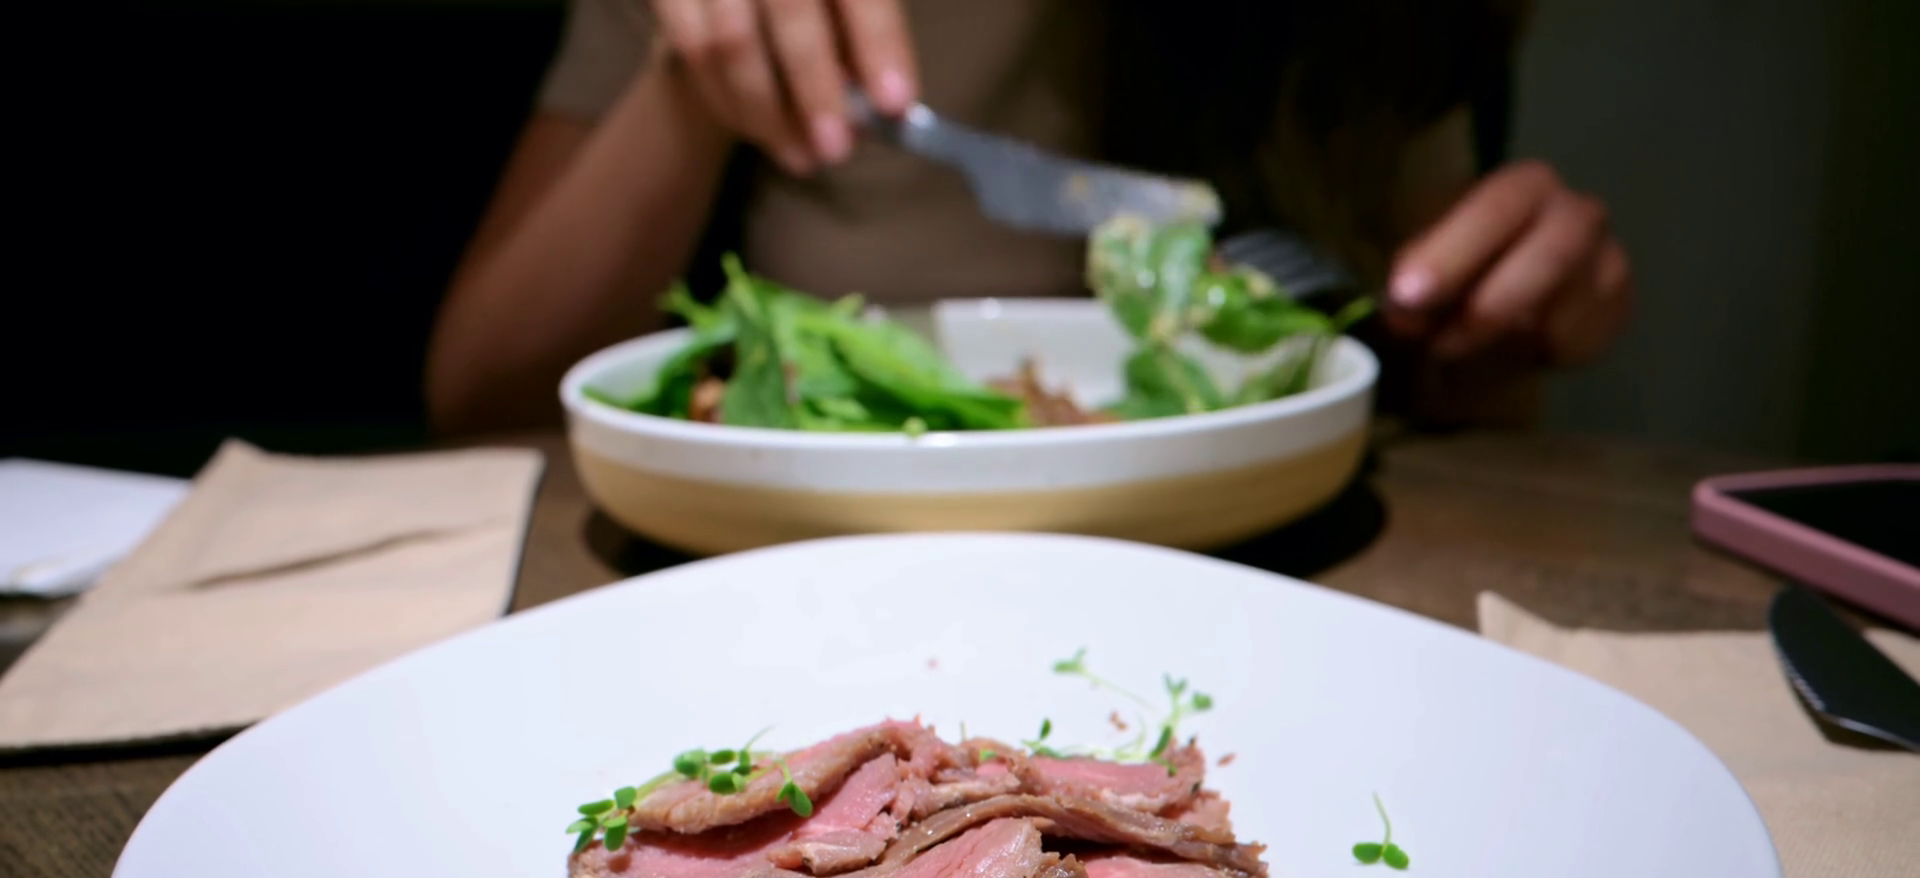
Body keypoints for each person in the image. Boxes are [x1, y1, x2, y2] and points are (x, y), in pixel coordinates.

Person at [426, 0, 1631, 434]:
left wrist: (1496, 326)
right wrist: (693, 82)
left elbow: (1431, 380)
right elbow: (483, 396)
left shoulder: (1358, 26)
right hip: (792, 562)